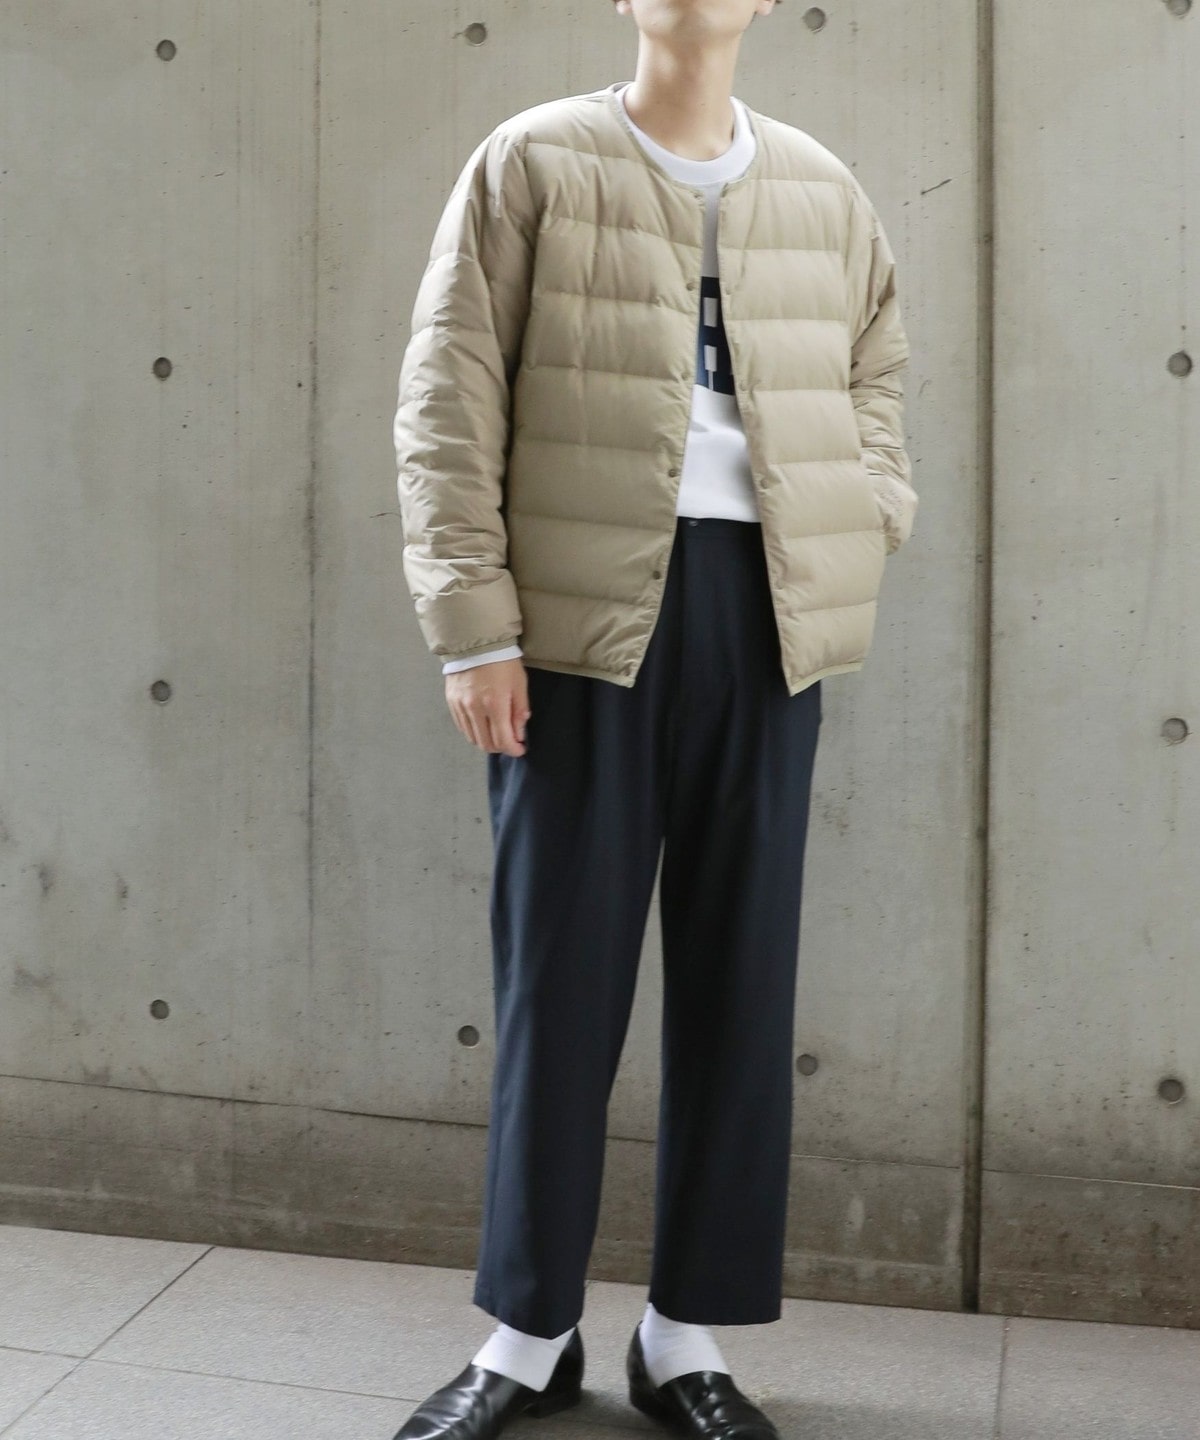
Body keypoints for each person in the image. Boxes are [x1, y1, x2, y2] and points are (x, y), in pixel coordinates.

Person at [391, 1, 916, 1436]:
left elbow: (877, 369)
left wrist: (869, 506)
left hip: (772, 613)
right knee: (558, 980)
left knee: (744, 978)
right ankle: (527, 1335)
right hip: (576, 623)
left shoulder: (819, 186)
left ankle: (686, 1338)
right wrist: (476, 628)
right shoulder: (534, 160)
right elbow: (448, 396)